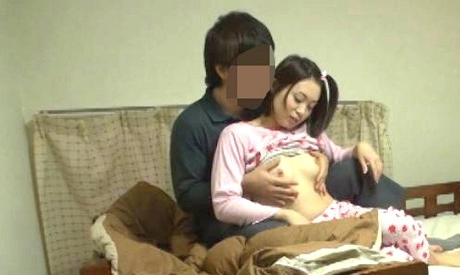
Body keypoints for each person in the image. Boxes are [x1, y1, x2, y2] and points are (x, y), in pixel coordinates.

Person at [210, 55, 460, 267]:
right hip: (305, 228)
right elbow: (224, 204)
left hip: (337, 213)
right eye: (298, 99)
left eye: (310, 106)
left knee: (403, 223)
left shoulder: (307, 133)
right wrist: (285, 214)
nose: (301, 111)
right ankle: (424, 253)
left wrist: (359, 147)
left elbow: (339, 155)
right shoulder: (239, 135)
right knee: (387, 262)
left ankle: (426, 252)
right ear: (275, 85)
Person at [170, 11, 405, 247]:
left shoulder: (270, 103)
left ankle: (399, 237)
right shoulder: (192, 123)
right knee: (283, 231)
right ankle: (344, 246)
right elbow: (187, 196)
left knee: (356, 170)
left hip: (291, 195)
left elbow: (299, 142)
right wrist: (246, 183)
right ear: (223, 70)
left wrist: (323, 156)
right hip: (232, 217)